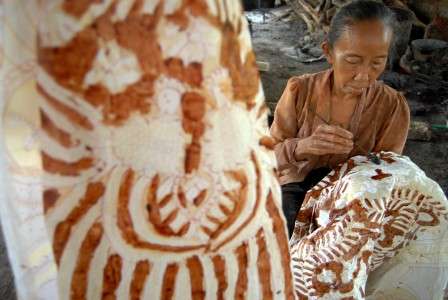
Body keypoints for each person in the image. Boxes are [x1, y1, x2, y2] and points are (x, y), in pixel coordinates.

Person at [270, 0, 410, 237]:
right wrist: (303, 146)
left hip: (352, 192)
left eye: (377, 62)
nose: (364, 74)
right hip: (295, 184)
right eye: (353, 61)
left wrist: (362, 165)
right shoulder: (299, 91)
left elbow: (387, 172)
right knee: (286, 232)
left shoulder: (392, 105)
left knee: (355, 238)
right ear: (329, 52)